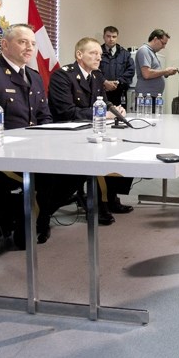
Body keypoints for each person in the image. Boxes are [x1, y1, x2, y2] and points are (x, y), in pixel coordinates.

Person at [0, 26, 71, 247]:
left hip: (33, 151)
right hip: (0, 156)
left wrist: (50, 142)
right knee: (51, 176)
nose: (29, 47)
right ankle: (19, 221)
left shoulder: (34, 77)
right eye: (22, 42)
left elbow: (44, 116)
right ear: (5, 45)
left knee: (71, 172)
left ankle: (35, 220)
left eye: (32, 43)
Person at [48, 37, 135, 225]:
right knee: (100, 157)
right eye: (93, 53)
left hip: (92, 130)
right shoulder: (62, 76)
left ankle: (110, 197)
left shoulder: (96, 76)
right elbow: (67, 112)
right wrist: (103, 115)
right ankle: (97, 204)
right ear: (79, 55)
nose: (98, 58)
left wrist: (115, 110)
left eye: (100, 55)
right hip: (67, 136)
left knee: (124, 148)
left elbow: (104, 102)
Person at [134, 29, 178, 108]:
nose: (164, 47)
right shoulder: (144, 50)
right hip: (146, 96)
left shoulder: (152, 52)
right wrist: (165, 71)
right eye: (163, 43)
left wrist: (167, 73)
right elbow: (147, 74)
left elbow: (153, 72)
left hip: (152, 96)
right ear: (155, 39)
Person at [98, 25, 134, 108]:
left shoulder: (125, 54)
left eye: (114, 36)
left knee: (120, 116)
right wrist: (105, 82)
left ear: (117, 37)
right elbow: (94, 70)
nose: (111, 39)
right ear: (104, 37)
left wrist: (117, 82)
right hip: (101, 93)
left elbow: (130, 71)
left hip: (119, 92)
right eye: (108, 36)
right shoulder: (97, 52)